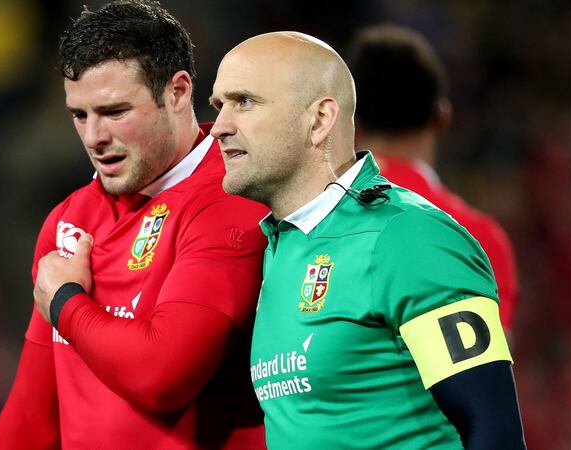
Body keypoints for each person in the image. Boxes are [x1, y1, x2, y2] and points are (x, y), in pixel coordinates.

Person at [209, 31, 526, 449]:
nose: (218, 127)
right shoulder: (276, 247)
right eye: (218, 106)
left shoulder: (406, 237)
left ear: (320, 119)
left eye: (244, 102)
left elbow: (493, 428)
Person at [0, 1, 268, 448]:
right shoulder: (69, 219)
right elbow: (32, 416)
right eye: (79, 115)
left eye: (114, 112)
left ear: (177, 92)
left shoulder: (234, 198)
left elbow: (162, 377)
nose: (94, 137)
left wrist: (65, 300)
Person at [347, 24, 520, 334]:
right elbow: (491, 372)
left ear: (349, 120)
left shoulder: (302, 219)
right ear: (442, 117)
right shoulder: (477, 236)